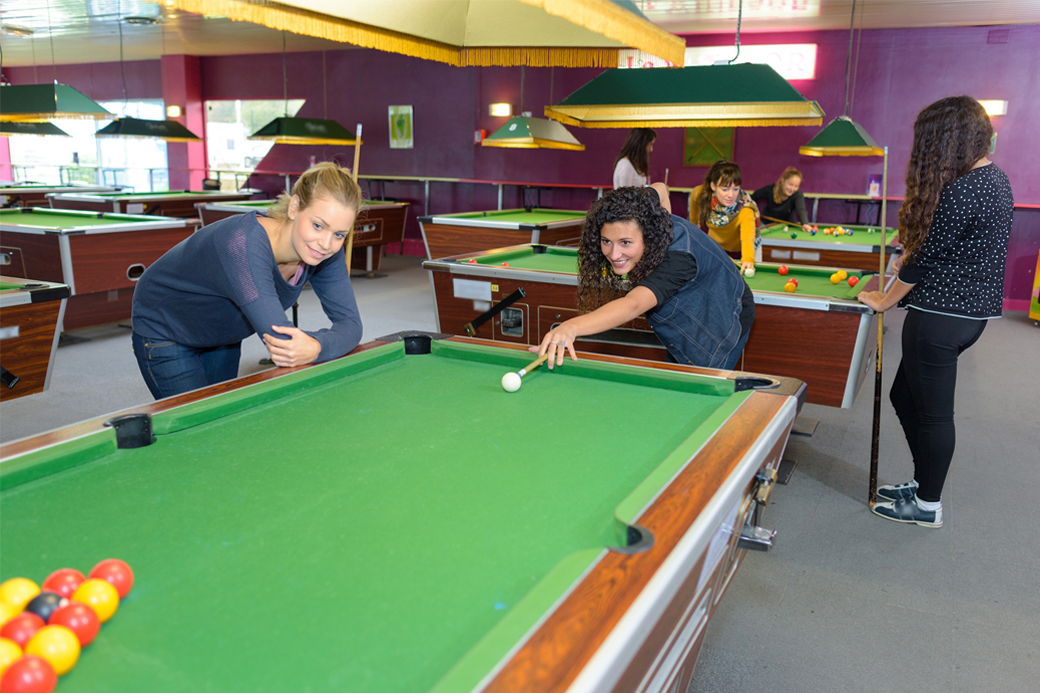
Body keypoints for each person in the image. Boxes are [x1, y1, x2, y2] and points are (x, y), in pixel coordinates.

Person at [856, 96, 1013, 528]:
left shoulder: (963, 189)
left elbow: (926, 260)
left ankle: (927, 506)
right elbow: (945, 248)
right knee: (904, 396)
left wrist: (885, 298)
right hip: (965, 315)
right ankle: (923, 481)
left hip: (939, 319)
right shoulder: (994, 179)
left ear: (947, 140)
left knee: (934, 414)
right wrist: (907, 255)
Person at [131, 162, 364, 399]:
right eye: (317, 225)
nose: (325, 243)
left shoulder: (325, 253)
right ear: (294, 208)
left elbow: (352, 326)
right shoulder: (242, 245)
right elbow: (284, 342)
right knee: (198, 425)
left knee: (222, 415)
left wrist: (315, 347)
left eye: (338, 234)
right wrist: (322, 346)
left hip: (223, 332)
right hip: (166, 326)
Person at [535, 183, 754, 371]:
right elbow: (660, 188)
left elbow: (633, 305)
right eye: (606, 241)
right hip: (689, 307)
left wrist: (570, 327)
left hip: (727, 313)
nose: (614, 254)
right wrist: (663, 221)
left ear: (648, 234)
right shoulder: (642, 209)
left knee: (700, 385)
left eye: (625, 243)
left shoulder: (678, 261)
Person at [689, 160, 761, 274]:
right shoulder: (702, 195)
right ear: (713, 186)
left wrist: (748, 260)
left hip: (740, 253)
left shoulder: (746, 209)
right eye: (725, 189)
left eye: (736, 189)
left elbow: (748, 237)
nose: (731, 195)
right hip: (715, 249)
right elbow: (693, 197)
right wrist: (694, 224)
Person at [752, 167, 812, 231]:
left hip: (788, 227)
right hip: (767, 225)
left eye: (796, 186)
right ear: (783, 181)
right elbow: (754, 196)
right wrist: (753, 213)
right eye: (790, 184)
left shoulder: (797, 194)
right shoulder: (770, 190)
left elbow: (801, 210)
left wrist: (805, 224)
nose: (792, 189)